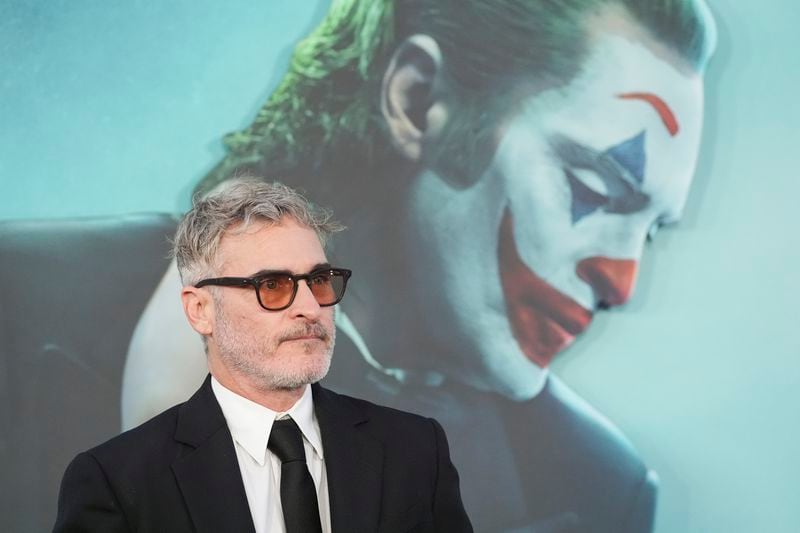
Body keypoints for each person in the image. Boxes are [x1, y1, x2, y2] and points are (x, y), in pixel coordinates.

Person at [122, 0, 717, 531]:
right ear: (418, 101)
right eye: (592, 187)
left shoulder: (599, 488)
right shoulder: (44, 312)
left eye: (652, 231)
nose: (623, 280)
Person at [55, 180, 473, 533]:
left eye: (319, 280)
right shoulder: (116, 482)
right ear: (200, 310)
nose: (310, 307)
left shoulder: (415, 450)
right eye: (273, 285)